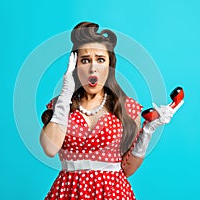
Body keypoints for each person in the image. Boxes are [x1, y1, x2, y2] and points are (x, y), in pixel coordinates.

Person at [40, 22, 175, 199]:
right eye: (85, 60)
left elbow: (126, 169)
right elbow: (50, 149)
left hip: (113, 193)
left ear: (110, 65)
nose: (93, 68)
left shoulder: (127, 108)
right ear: (75, 65)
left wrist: (148, 130)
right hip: (68, 192)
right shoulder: (60, 105)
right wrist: (66, 93)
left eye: (101, 60)